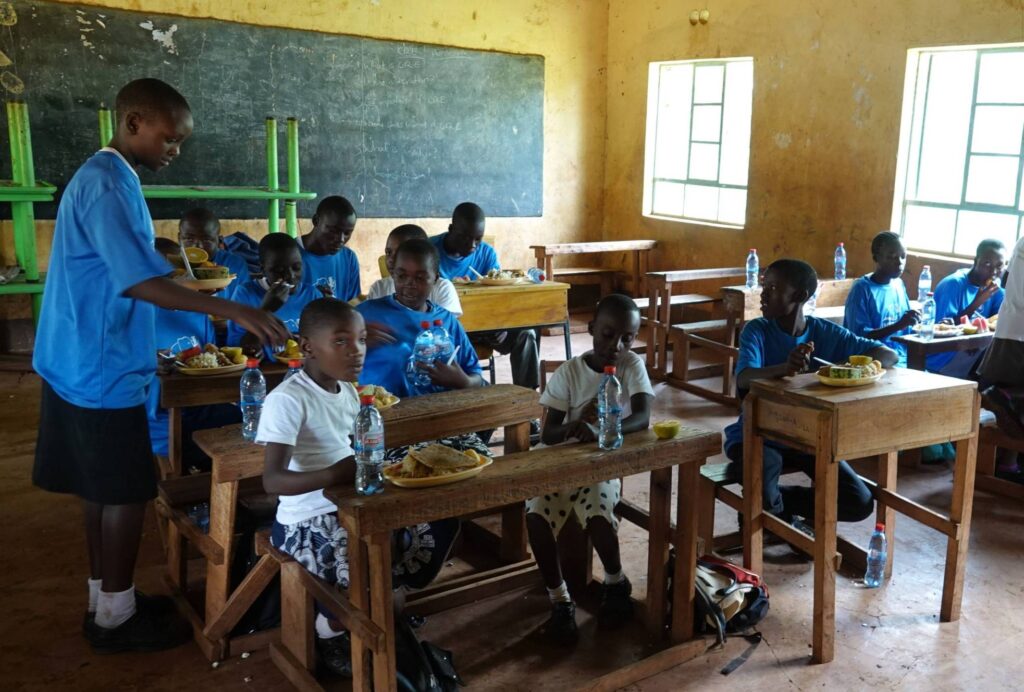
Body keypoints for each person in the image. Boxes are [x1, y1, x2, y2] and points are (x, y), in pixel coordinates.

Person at [32, 78, 287, 654]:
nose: (175, 150)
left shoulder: (106, 176)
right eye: (169, 138)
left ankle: (107, 599)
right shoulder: (107, 183)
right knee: (124, 491)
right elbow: (140, 280)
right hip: (101, 367)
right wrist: (232, 308)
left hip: (80, 359)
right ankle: (116, 622)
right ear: (134, 123)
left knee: (100, 488)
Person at [259, 298, 458, 676]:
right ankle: (328, 630)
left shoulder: (349, 391)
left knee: (435, 521)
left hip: (351, 502)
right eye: (341, 342)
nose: (357, 351)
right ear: (306, 347)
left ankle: (382, 605)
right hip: (306, 520)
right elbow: (272, 481)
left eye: (362, 339)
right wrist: (336, 474)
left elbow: (355, 450)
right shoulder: (288, 399)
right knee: (368, 582)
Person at [725, 259, 897, 529]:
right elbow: (745, 379)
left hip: (805, 435)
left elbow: (888, 354)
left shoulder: (824, 332)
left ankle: (777, 507)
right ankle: (771, 513)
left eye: (772, 288)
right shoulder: (757, 330)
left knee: (859, 502)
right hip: (759, 435)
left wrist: (846, 367)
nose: (763, 294)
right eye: (764, 286)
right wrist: (785, 368)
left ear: (800, 296)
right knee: (762, 465)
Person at [525, 294, 653, 644]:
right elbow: (548, 433)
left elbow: (642, 418)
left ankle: (615, 582)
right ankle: (560, 600)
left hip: (599, 466)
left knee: (598, 513)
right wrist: (574, 425)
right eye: (608, 334)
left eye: (628, 338)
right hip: (558, 463)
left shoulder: (630, 366)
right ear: (592, 329)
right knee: (535, 516)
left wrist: (606, 431)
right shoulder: (569, 372)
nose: (617, 345)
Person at [357, 238, 492, 460]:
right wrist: (358, 341)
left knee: (482, 467)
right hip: (386, 429)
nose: (409, 284)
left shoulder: (447, 321)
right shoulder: (366, 315)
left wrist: (463, 382)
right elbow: (329, 363)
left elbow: (476, 376)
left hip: (442, 424)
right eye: (402, 275)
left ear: (435, 279)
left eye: (420, 278)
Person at [430, 202, 541, 413]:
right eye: (465, 237)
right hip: (453, 333)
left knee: (527, 334)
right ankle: (464, 411)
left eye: (478, 239)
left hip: (490, 329)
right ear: (451, 229)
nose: (472, 244)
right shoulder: (430, 252)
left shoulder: (487, 254)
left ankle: (525, 407)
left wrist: (502, 325)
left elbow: (499, 298)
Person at [227, 233, 321, 358]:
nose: (290, 276)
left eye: (296, 267)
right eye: (279, 270)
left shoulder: (312, 295)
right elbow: (240, 351)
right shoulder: (246, 294)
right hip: (266, 373)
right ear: (263, 269)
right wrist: (266, 309)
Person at [927, 239, 1006, 376]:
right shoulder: (953, 285)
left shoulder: (996, 289)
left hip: (973, 352)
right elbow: (942, 330)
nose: (993, 271)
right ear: (975, 261)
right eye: (987, 264)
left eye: (999, 266)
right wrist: (978, 301)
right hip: (942, 358)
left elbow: (999, 321)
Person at [979, 236, 1024, 474]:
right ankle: (1003, 395)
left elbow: (1008, 278)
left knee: (1014, 406)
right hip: (1018, 335)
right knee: (1013, 397)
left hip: (1012, 329)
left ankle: (1009, 463)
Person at [843, 231, 920, 367]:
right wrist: (899, 325)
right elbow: (858, 338)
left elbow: (906, 328)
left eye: (903, 256)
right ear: (876, 258)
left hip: (902, 358)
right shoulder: (862, 289)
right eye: (892, 257)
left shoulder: (898, 285)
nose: (899, 263)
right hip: (875, 363)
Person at [367, 224, 463, 315]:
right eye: (388, 252)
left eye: (401, 253)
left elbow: (446, 328)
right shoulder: (378, 289)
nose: (391, 259)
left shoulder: (442, 288)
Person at [176, 207, 251, 299]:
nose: (198, 246)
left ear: (219, 241)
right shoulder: (169, 265)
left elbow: (243, 302)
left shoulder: (234, 265)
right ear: (179, 239)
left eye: (206, 239)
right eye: (189, 239)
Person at [298, 195, 361, 301]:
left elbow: (353, 304)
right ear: (316, 221)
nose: (341, 239)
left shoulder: (349, 258)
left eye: (347, 233)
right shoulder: (290, 255)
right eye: (333, 231)